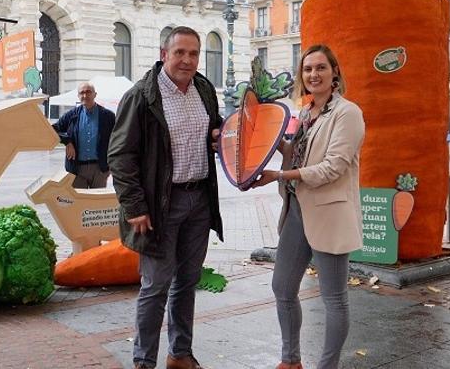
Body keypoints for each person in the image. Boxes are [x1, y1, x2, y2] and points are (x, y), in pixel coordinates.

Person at [108, 26, 223, 369]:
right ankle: (143, 362)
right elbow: (119, 155)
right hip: (159, 206)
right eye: (180, 53)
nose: (187, 60)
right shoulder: (142, 96)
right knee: (156, 286)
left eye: (193, 53)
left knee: (187, 282)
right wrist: (135, 206)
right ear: (164, 54)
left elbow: (213, 128)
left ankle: (179, 354)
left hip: (199, 199)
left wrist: (218, 135)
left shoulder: (203, 88)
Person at [250, 44, 365, 369]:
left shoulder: (348, 113)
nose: (313, 74)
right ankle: (290, 360)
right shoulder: (305, 113)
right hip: (296, 210)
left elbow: (333, 167)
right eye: (308, 69)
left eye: (320, 68)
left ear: (334, 73)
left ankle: (327, 365)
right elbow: (298, 155)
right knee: (282, 287)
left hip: (330, 213)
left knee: (334, 298)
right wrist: (270, 143)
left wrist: (281, 173)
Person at [51, 82, 116, 188]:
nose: (85, 96)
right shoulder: (71, 116)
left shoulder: (108, 116)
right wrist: (67, 141)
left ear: (95, 94)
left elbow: (117, 140)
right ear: (78, 96)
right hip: (77, 169)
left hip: (99, 169)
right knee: (79, 203)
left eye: (88, 92)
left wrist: (112, 166)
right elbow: (53, 130)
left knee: (97, 203)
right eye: (82, 93)